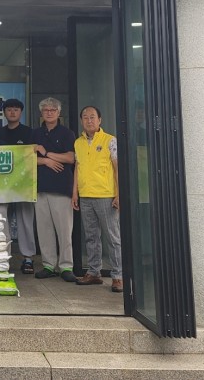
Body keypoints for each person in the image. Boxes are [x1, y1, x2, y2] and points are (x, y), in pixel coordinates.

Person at [72, 105, 123, 293]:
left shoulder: (110, 140)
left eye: (92, 117)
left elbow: (117, 168)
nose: (89, 120)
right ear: (81, 121)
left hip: (106, 195)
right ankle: (94, 272)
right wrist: (75, 193)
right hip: (86, 195)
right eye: (85, 117)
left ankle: (118, 276)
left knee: (113, 237)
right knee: (91, 237)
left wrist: (119, 194)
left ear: (100, 120)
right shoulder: (78, 142)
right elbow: (77, 168)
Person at [31, 97, 77, 282]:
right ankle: (48, 265)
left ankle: (66, 266)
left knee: (64, 230)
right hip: (40, 188)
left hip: (61, 188)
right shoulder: (35, 133)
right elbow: (27, 158)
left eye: (52, 110)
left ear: (59, 112)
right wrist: (45, 161)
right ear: (41, 113)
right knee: (44, 230)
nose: (49, 113)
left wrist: (47, 153)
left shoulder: (67, 133)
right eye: (46, 110)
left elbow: (70, 158)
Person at [0, 98, 37, 275]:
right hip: (2, 184)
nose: (12, 112)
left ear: (21, 112)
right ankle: (2, 256)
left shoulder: (29, 132)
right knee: (1, 220)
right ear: (4, 113)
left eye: (16, 109)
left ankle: (28, 258)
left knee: (25, 221)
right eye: (9, 109)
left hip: (23, 183)